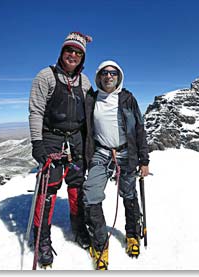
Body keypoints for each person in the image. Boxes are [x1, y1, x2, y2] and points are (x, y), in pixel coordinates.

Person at [28, 31, 93, 267]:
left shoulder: (85, 82)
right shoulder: (45, 76)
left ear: (82, 58)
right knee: (49, 188)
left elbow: (88, 116)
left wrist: (88, 144)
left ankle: (78, 228)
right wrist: (38, 143)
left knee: (77, 186)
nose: (73, 55)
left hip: (76, 140)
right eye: (69, 50)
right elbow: (36, 111)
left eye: (78, 52)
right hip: (52, 139)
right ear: (62, 52)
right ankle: (42, 238)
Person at [83, 60, 150, 270]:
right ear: (99, 76)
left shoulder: (128, 99)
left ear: (118, 76)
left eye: (113, 73)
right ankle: (100, 244)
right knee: (91, 195)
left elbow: (139, 129)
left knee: (128, 195)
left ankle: (132, 235)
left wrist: (144, 160)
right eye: (105, 73)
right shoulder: (92, 99)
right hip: (101, 152)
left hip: (125, 152)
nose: (109, 76)